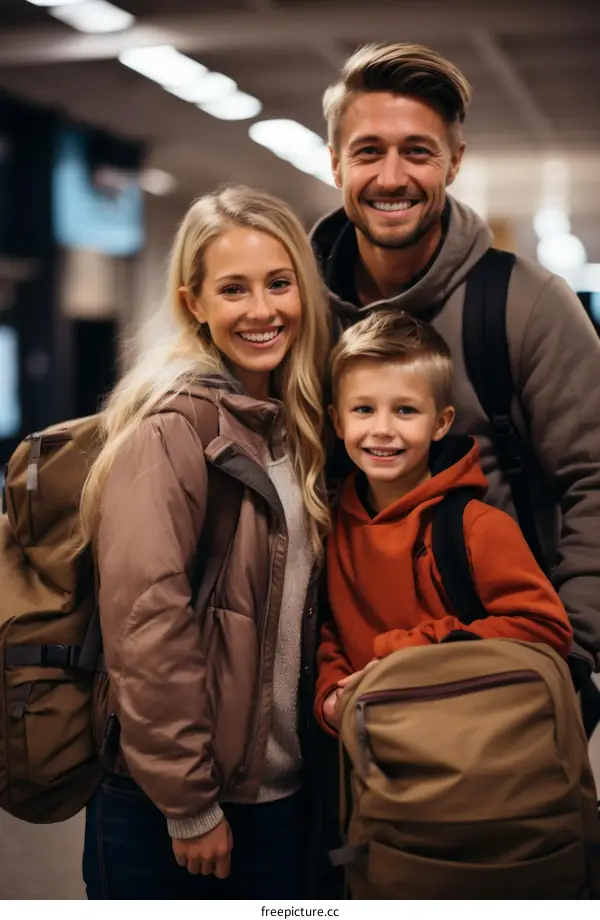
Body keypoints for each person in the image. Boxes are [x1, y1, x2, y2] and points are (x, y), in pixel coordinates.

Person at [311, 42, 600, 679]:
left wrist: (572, 659)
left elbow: (594, 480)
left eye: (418, 150)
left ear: (455, 162)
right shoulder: (299, 310)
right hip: (332, 693)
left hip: (490, 681)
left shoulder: (526, 305)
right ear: (334, 164)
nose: (391, 178)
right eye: (368, 151)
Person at [79, 185, 331, 899]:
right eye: (234, 289)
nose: (262, 310)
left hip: (274, 793)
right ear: (195, 303)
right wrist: (189, 806)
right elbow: (145, 621)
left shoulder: (292, 423)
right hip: (174, 805)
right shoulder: (173, 427)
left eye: (279, 283)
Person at [315, 310, 573, 732]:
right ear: (337, 420)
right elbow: (332, 627)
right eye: (363, 409)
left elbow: (545, 628)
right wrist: (331, 697)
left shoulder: (478, 527)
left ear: (441, 423)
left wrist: (406, 652)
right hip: (372, 757)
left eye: (405, 410)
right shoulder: (332, 523)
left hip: (467, 751)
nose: (381, 429)